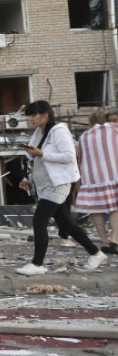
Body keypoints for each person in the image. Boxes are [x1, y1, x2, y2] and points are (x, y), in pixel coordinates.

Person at [16, 100, 105, 275]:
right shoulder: (37, 133)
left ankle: (37, 264)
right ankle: (96, 253)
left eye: (34, 115)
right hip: (43, 185)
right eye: (29, 116)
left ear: (45, 115)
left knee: (39, 220)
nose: (31, 119)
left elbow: (68, 156)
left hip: (58, 184)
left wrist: (41, 153)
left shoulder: (59, 131)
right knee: (65, 223)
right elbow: (34, 160)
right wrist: (27, 177)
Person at [74, 108, 118, 254]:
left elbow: (77, 156)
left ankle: (104, 242)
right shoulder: (112, 128)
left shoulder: (84, 136)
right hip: (111, 173)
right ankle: (115, 239)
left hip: (91, 177)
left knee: (96, 210)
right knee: (115, 207)